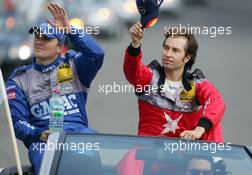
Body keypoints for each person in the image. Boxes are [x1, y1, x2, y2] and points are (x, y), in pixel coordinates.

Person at [6, 3, 104, 174]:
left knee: (90, 148)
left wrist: (69, 29)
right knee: (46, 160)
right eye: (37, 37)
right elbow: (16, 122)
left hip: (78, 136)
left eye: (46, 38)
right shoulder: (19, 79)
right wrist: (39, 134)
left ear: (59, 47)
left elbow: (97, 54)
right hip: (44, 141)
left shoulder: (74, 65)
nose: (39, 41)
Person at [123, 22, 226, 142]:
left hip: (184, 154)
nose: (168, 54)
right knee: (131, 160)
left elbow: (216, 101)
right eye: (166, 48)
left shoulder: (196, 84)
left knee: (212, 123)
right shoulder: (149, 77)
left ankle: (215, 159)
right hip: (146, 152)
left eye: (175, 50)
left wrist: (200, 129)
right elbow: (132, 71)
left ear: (187, 58)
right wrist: (135, 44)